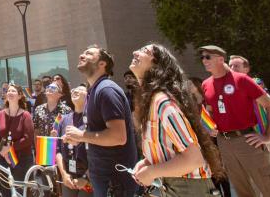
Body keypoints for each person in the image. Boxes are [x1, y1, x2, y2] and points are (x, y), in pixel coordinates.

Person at [130, 44, 222, 194]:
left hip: (190, 189)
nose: (135, 52)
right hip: (173, 186)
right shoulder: (151, 102)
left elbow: (194, 160)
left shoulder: (163, 102)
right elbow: (168, 149)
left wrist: (152, 172)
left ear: (157, 64)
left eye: (144, 51)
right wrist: (147, 163)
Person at [199, 45, 270, 197]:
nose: (204, 60)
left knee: (269, 187)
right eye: (202, 57)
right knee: (242, 188)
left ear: (221, 59)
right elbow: (209, 111)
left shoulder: (241, 79)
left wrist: (268, 136)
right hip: (224, 142)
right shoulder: (206, 84)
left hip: (247, 140)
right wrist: (208, 125)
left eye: (208, 57)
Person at [63, 45, 137, 197]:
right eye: (83, 52)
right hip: (103, 180)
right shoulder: (94, 91)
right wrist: (79, 138)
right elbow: (99, 135)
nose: (82, 55)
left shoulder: (106, 90)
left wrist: (82, 135)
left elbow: (118, 137)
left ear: (102, 64)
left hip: (115, 182)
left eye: (89, 53)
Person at [229, 54, 270, 196]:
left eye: (236, 66)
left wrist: (267, 136)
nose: (232, 68)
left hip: (262, 135)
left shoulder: (255, 82)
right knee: (254, 180)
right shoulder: (229, 87)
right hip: (245, 140)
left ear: (246, 69)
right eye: (230, 66)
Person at [187, 77, 231, 197]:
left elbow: (218, 116)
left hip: (214, 138)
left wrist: (216, 128)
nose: (187, 86)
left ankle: (227, 193)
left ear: (197, 85)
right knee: (210, 169)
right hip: (202, 140)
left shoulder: (208, 100)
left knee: (220, 168)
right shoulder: (189, 104)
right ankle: (216, 193)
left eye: (190, 84)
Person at [0, 83, 35, 194]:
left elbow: (28, 138)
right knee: (4, 191)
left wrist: (10, 148)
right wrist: (3, 151)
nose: (10, 93)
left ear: (20, 96)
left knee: (21, 191)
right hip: (3, 158)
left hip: (22, 159)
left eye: (13, 91)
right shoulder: (0, 114)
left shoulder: (26, 115)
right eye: (8, 91)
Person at [55, 85, 92, 196]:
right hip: (69, 177)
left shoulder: (94, 118)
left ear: (89, 96)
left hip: (90, 177)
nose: (75, 91)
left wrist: (85, 177)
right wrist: (64, 174)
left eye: (80, 89)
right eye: (74, 90)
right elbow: (57, 151)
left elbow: (101, 151)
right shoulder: (63, 119)